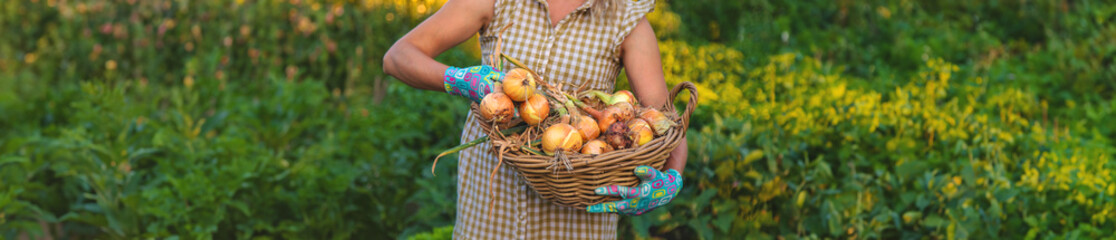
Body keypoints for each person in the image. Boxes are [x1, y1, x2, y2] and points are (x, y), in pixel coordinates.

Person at [383, 0, 687, 238]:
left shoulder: (626, 19)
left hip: (576, 228)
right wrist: (460, 79)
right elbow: (398, 56)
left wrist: (670, 180)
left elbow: (665, 125)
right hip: (487, 222)